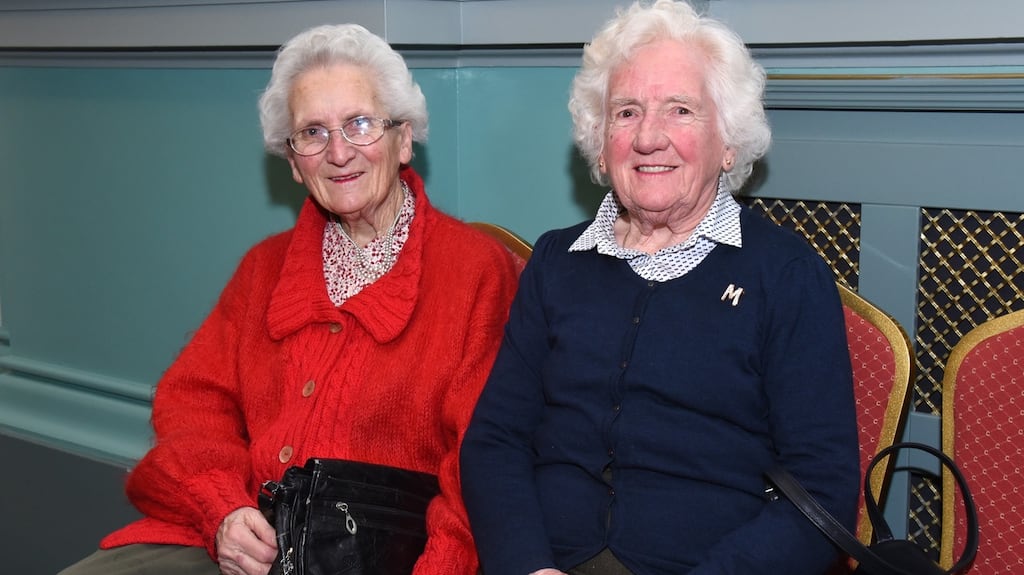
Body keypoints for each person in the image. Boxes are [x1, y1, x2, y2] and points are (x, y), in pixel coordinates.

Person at [59, 23, 519, 575]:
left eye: (360, 124)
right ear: (293, 162)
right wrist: (223, 509)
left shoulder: (475, 273)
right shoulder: (265, 268)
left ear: (403, 139)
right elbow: (191, 401)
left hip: (382, 556)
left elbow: (483, 462)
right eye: (313, 133)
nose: (339, 152)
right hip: (245, 544)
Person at [460, 1, 859, 574]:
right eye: (626, 113)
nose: (649, 137)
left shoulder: (785, 277)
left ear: (728, 142)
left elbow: (823, 487)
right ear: (600, 143)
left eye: (680, 110)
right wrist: (527, 565)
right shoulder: (557, 261)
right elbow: (495, 440)